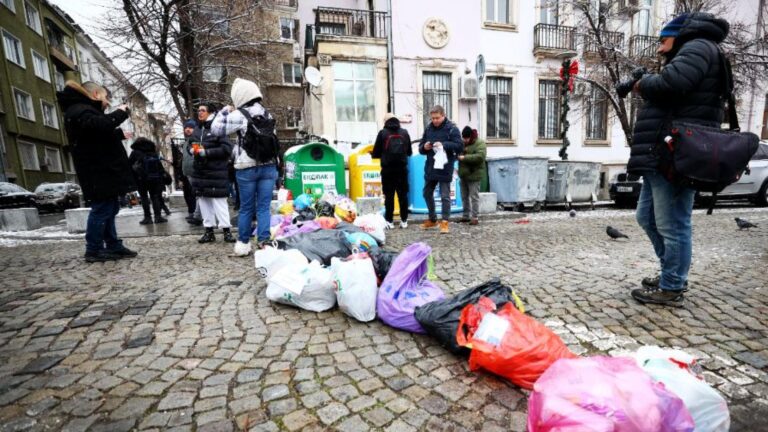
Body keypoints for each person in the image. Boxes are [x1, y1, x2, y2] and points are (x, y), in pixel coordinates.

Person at [628, 12, 729, 307]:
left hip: (676, 154)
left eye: (663, 40)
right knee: (645, 218)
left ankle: (672, 286)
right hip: (663, 152)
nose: (660, 48)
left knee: (673, 224)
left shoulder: (697, 47)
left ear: (678, 35)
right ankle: (670, 273)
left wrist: (642, 83)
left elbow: (673, 83)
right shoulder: (696, 49)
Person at [57, 81, 138, 262]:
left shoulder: (81, 110)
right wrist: (120, 112)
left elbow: (93, 136)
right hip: (97, 171)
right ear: (95, 94)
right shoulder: (80, 109)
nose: (107, 102)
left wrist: (117, 135)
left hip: (102, 170)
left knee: (110, 207)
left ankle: (113, 245)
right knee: (102, 209)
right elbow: (100, 126)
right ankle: (93, 249)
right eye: (105, 97)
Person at [210, 78, 279, 256]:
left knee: (246, 208)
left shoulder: (240, 115)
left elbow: (216, 129)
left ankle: (243, 245)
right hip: (269, 166)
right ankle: (264, 243)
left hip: (246, 167)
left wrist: (224, 111)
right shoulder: (267, 114)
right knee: (264, 207)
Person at [189, 102, 236, 243]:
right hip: (200, 172)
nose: (199, 113)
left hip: (216, 172)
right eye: (198, 111)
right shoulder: (197, 129)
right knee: (204, 202)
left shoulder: (218, 128)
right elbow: (189, 143)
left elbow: (227, 149)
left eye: (202, 110)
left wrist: (207, 152)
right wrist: (190, 150)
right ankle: (208, 231)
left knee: (219, 202)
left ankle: (226, 231)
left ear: (210, 113)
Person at [418, 105, 462, 234]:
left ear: (443, 115)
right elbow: (421, 147)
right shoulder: (428, 128)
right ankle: (432, 219)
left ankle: (445, 222)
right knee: (426, 193)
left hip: (445, 167)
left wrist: (444, 145)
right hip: (431, 167)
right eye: (433, 118)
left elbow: (459, 146)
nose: (435, 121)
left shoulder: (452, 129)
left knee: (445, 196)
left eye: (437, 118)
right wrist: (424, 147)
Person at [372, 113, 412, 229]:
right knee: (403, 195)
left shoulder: (382, 133)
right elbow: (409, 152)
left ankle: (389, 221)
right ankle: (404, 221)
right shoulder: (404, 133)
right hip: (402, 169)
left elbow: (376, 153)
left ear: (385, 121)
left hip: (387, 170)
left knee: (389, 196)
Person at [128, 137, 168, 225]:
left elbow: (129, 165)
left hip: (141, 179)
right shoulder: (152, 152)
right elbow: (159, 166)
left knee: (144, 198)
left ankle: (147, 218)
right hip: (154, 178)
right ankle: (158, 217)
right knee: (155, 197)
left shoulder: (135, 152)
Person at [458, 126, 486, 225]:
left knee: (474, 197)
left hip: (474, 175)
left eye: (466, 138)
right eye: (463, 138)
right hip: (463, 175)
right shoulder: (462, 143)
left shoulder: (480, 143)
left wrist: (464, 158)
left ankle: (474, 217)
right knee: (464, 196)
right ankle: (465, 216)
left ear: (471, 137)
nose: (465, 140)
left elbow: (480, 157)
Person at [179, 120, 202, 225]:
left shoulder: (196, 140)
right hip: (189, 172)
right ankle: (196, 214)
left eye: (190, 127)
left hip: (196, 171)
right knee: (197, 194)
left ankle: (197, 216)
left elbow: (199, 154)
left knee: (199, 194)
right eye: (186, 127)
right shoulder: (186, 142)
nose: (187, 129)